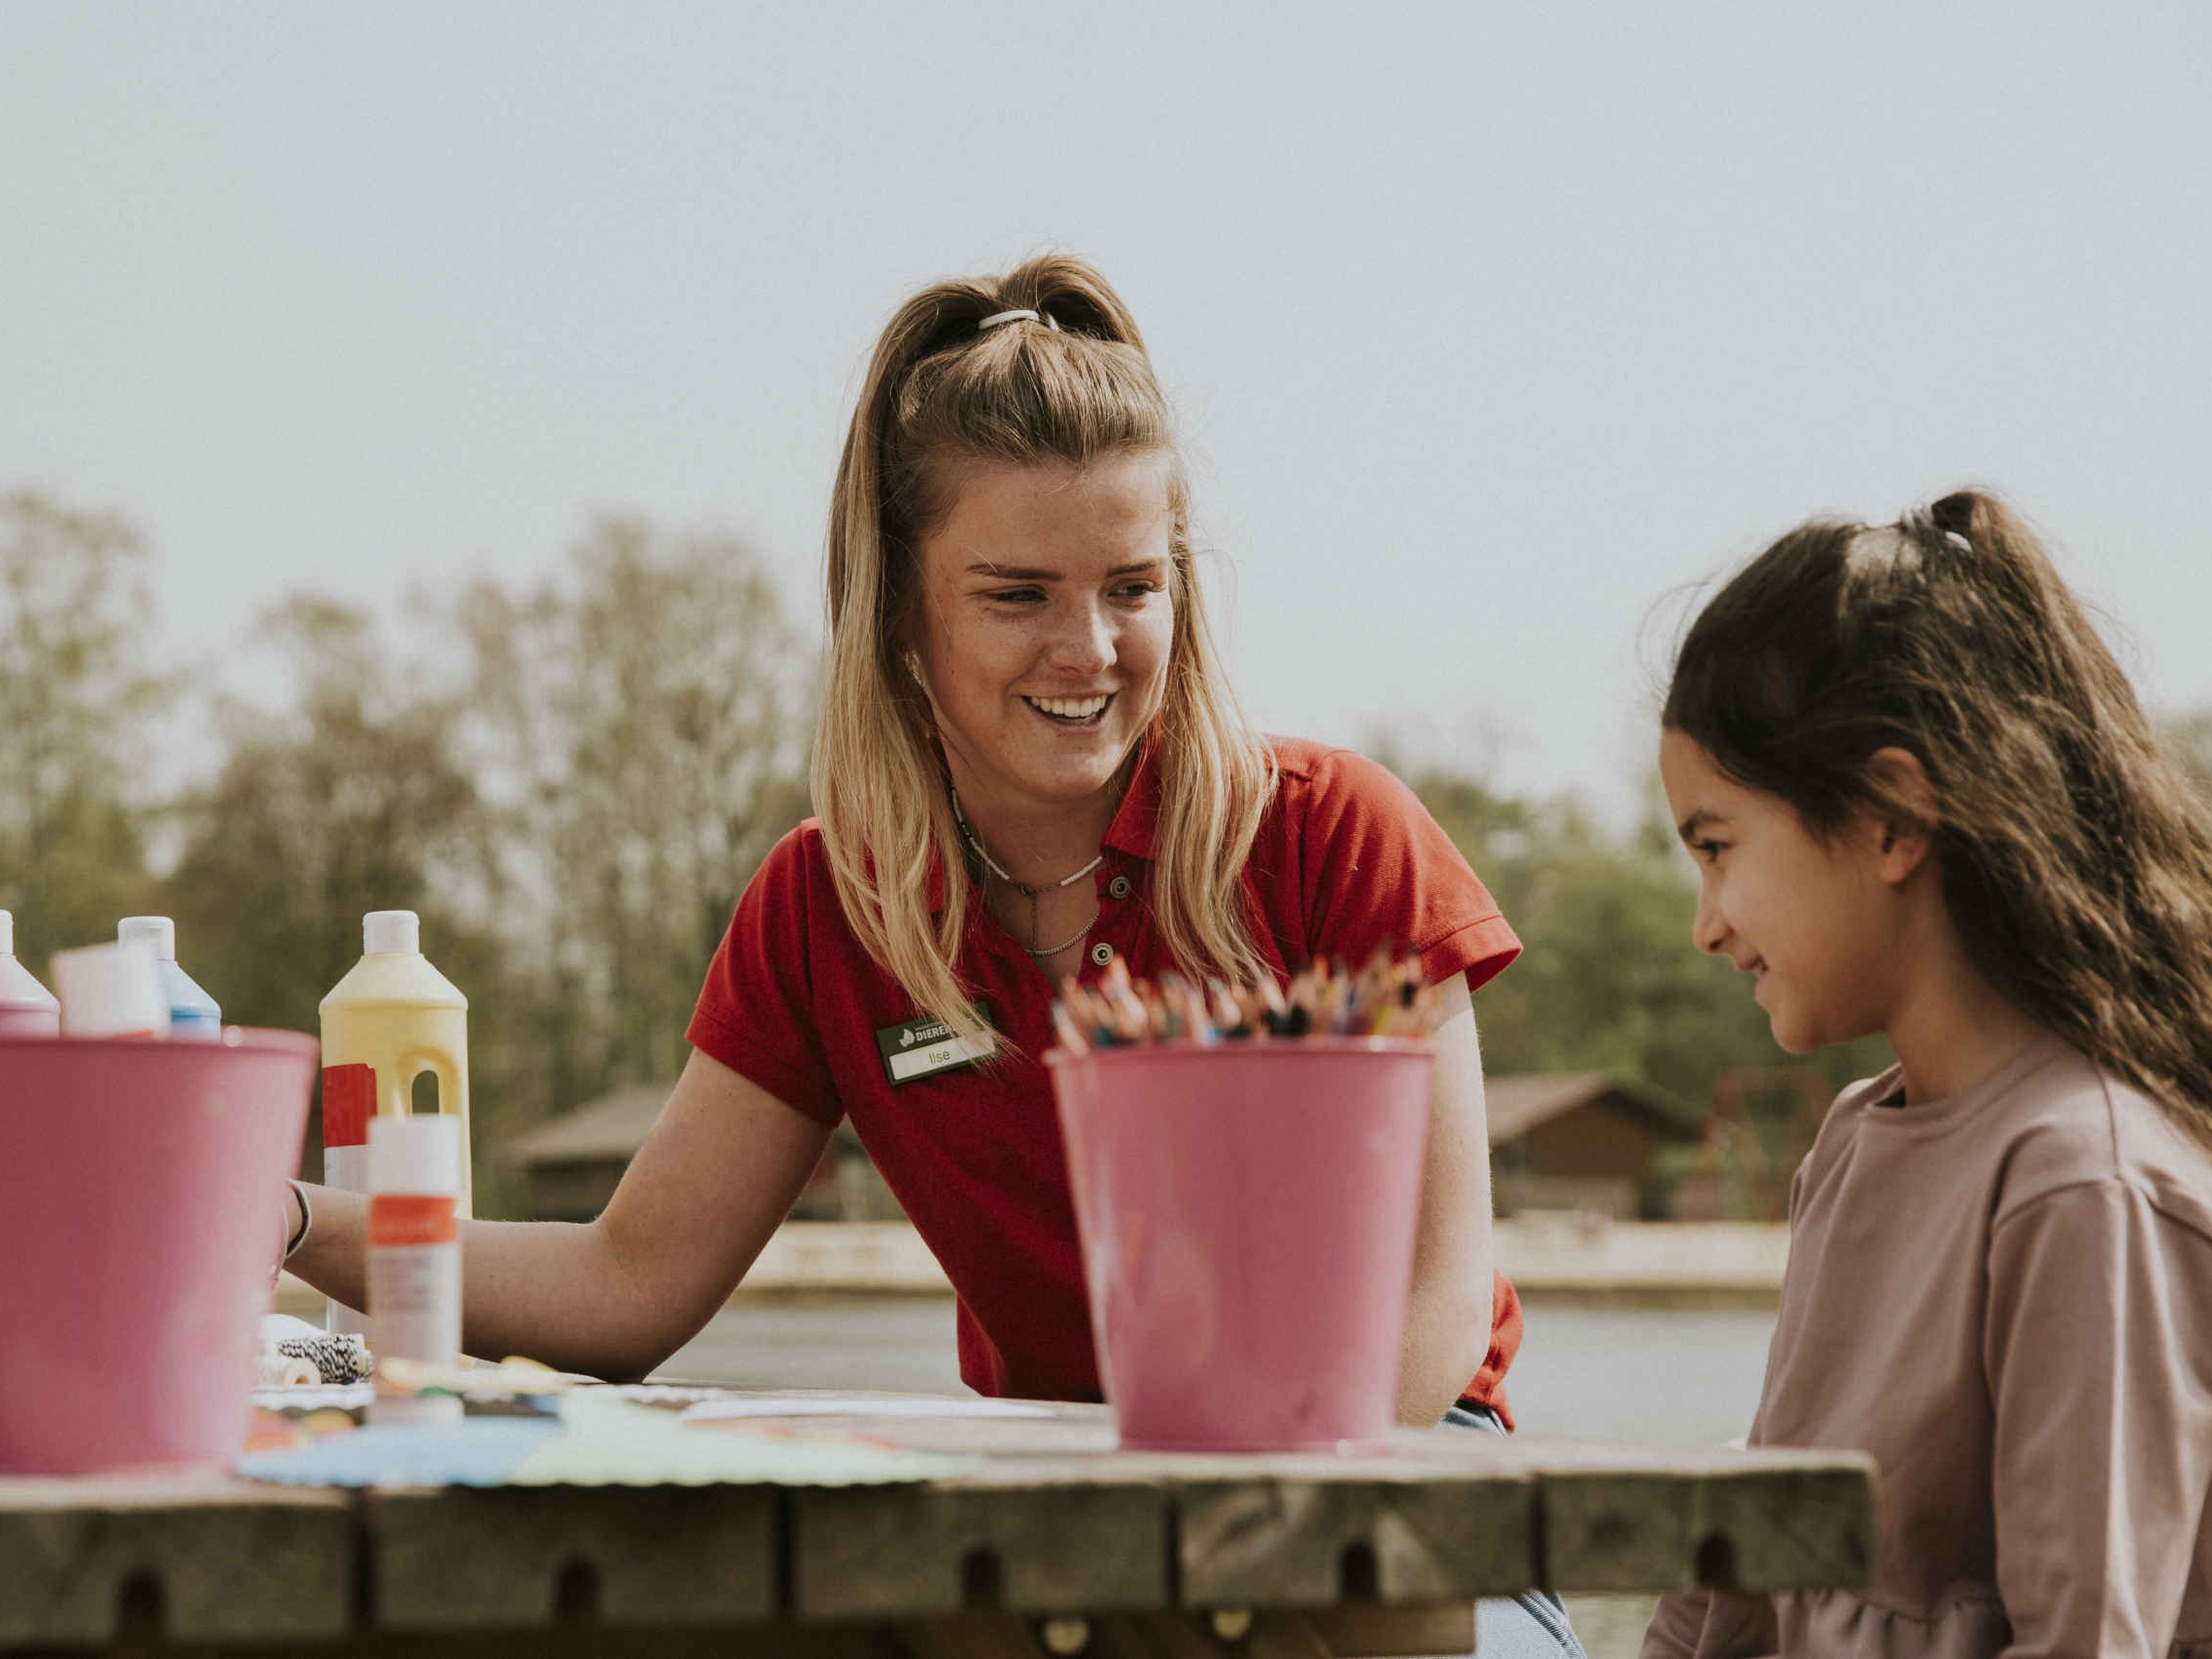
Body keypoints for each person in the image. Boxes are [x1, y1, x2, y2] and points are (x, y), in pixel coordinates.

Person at [283, 255, 1581, 1656]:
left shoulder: (1338, 835)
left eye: (1132, 587)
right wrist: (286, 1218)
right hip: (1057, 1527)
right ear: (901, 607)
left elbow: (1434, 1317)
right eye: (1018, 595)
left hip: (1402, 1506)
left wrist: (1207, 1553)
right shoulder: (826, 904)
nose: (1089, 649)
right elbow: (622, 1288)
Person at [1643, 491, 2212, 1658]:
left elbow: (2086, 1640)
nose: (1706, 924)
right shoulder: (1853, 1144)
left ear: (1892, 818)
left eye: (1717, 848)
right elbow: (1755, 1560)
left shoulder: (2082, 1184)